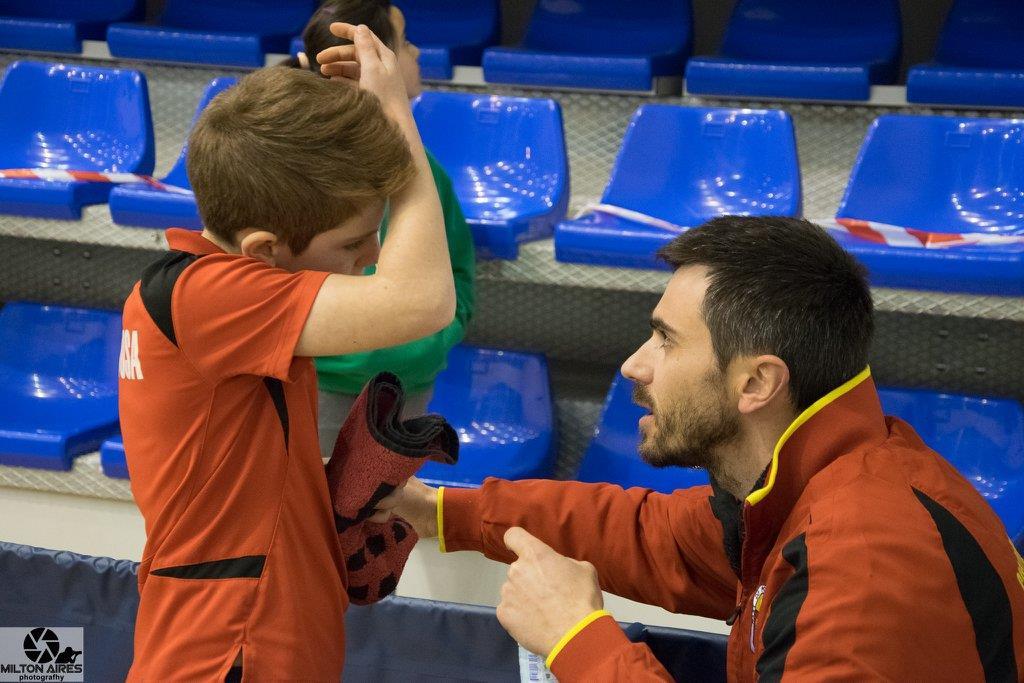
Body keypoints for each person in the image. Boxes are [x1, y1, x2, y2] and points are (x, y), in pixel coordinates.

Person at [395, 216, 1024, 681]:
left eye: (666, 341)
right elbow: (654, 536)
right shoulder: (818, 480)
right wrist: (441, 512)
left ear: (756, 383)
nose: (632, 365)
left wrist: (578, 641)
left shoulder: (865, 560)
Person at [119, 24, 453, 681]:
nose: (373, 254)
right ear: (264, 251)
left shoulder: (208, 294)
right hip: (232, 649)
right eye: (356, 239)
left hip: (248, 635)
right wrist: (396, 116)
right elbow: (424, 300)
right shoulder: (210, 295)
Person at [296, 0, 476, 454]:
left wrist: (440, 333)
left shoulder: (425, 170)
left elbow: (456, 267)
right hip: (318, 383)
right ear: (377, 63)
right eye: (405, 41)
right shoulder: (296, 164)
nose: (415, 52)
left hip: (409, 382)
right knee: (314, 508)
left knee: (386, 512)